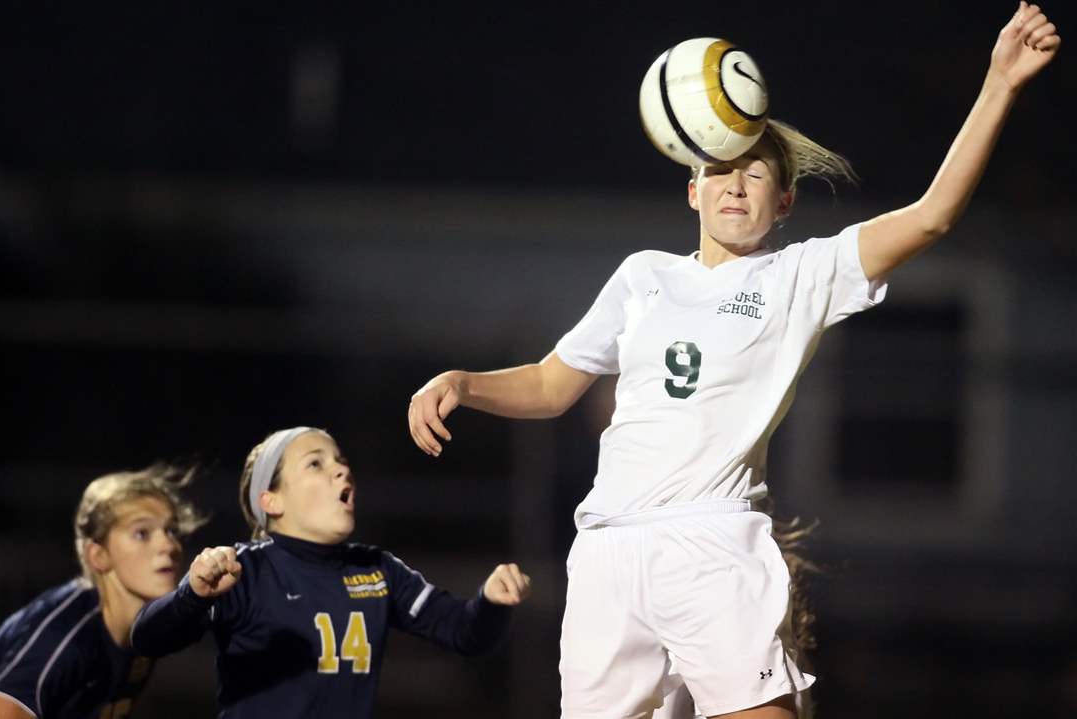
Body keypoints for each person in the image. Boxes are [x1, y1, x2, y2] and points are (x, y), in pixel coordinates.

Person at [408, 5, 1060, 718]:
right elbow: (548, 383)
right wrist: (461, 382)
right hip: (606, 552)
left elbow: (932, 213)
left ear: (783, 203)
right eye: (721, 169)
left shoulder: (798, 276)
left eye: (756, 173)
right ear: (693, 190)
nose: (737, 183)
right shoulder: (643, 276)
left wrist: (999, 84)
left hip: (710, 542)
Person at [131, 426, 531, 718]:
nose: (341, 471)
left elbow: (466, 633)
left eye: (340, 461)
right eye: (315, 464)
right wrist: (192, 596)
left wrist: (491, 603)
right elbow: (147, 637)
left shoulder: (377, 570)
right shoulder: (244, 569)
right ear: (271, 500)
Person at [0, 465, 205, 719]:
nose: (169, 545)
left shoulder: (142, 632)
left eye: (172, 531)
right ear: (99, 555)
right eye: (142, 533)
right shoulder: (67, 637)